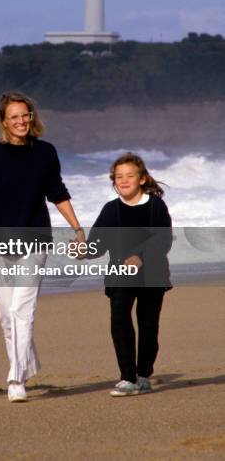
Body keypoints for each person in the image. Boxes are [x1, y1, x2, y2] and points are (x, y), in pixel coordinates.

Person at [0, 91, 85, 402]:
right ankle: (27, 362)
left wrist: (78, 229)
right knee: (6, 313)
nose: (21, 121)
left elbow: (58, 193)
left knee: (21, 310)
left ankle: (16, 379)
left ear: (32, 117)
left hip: (34, 240)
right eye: (14, 116)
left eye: (26, 115)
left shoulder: (45, 153)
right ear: (3, 121)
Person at [87, 152, 172, 396]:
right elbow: (97, 244)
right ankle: (127, 378)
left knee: (148, 324)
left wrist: (140, 257)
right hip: (119, 274)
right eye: (118, 177)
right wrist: (83, 249)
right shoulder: (110, 209)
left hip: (152, 274)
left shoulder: (155, 205)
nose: (123, 180)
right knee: (119, 320)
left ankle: (143, 374)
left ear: (142, 179)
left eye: (130, 175)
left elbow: (163, 239)